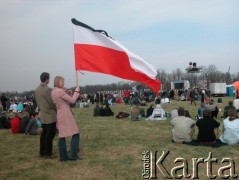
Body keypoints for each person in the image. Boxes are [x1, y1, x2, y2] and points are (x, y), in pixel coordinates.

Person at [51, 76, 80, 161]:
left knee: (62, 136)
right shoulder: (59, 91)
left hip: (60, 113)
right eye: (61, 81)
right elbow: (72, 101)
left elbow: (64, 99)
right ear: (57, 82)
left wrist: (68, 94)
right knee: (76, 133)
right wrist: (76, 92)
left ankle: (63, 157)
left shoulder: (54, 91)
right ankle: (73, 155)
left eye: (63, 81)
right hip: (65, 113)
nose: (63, 83)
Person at [35, 72, 57, 158]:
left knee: (44, 134)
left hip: (42, 114)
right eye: (49, 78)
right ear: (46, 79)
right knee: (50, 134)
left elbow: (37, 101)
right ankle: (47, 153)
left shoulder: (37, 89)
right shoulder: (47, 89)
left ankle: (42, 151)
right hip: (49, 115)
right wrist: (57, 109)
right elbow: (51, 102)